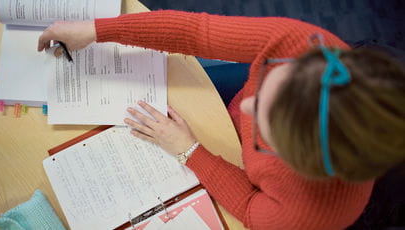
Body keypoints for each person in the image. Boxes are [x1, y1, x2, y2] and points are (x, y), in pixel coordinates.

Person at [37, 10, 405, 230]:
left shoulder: (312, 213)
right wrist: (98, 30)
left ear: (297, 162)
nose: (245, 106)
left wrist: (189, 151)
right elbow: (197, 32)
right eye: (269, 81)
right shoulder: (305, 44)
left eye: (265, 126)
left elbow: (248, 206)